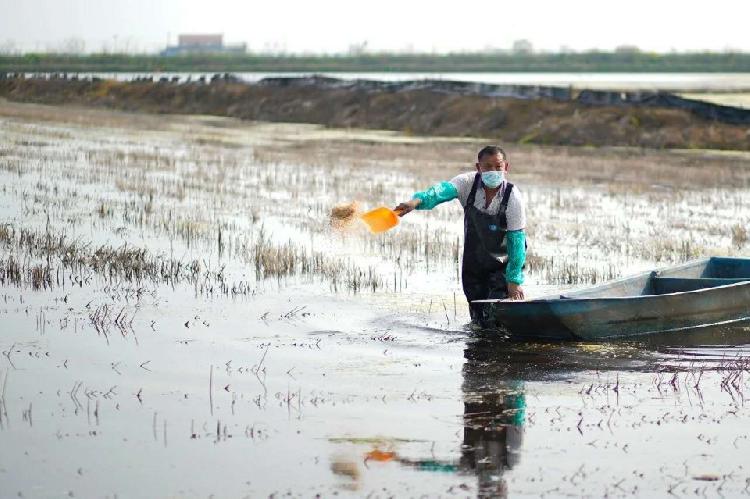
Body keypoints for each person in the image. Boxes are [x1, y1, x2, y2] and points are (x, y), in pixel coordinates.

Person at [396, 145, 526, 323]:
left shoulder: (513, 197)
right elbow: (439, 192)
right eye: (487, 167)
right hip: (473, 265)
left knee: (497, 318)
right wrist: (415, 202)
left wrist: (514, 281)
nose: (493, 171)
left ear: (506, 167)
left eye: (498, 166)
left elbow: (516, 241)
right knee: (478, 319)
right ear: (478, 167)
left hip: (501, 267)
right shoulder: (467, 184)